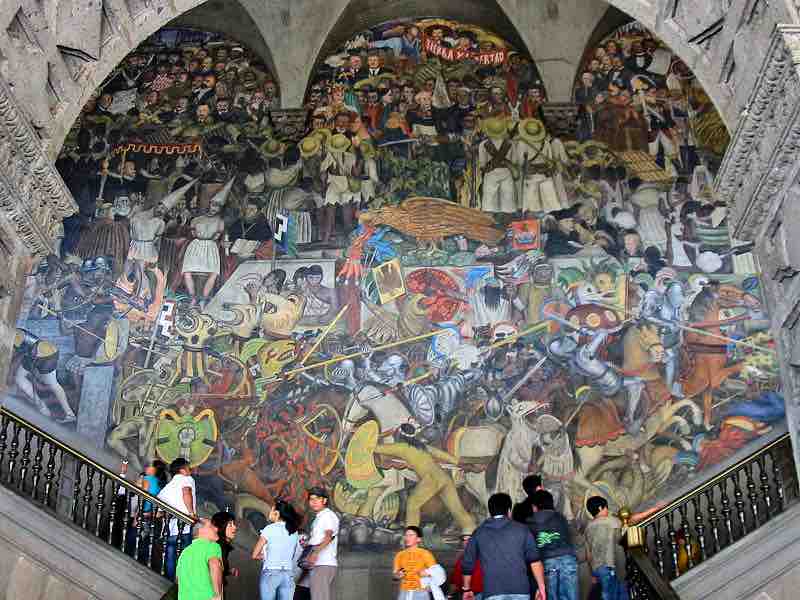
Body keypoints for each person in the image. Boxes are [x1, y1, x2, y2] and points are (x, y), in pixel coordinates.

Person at [462, 493, 546, 600]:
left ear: (490, 511)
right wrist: (541, 587)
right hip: (520, 590)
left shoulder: (479, 533)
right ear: (509, 511)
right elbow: (535, 561)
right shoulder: (522, 530)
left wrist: (467, 589)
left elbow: (467, 563)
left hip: (492, 592)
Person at [527, 490, 578, 600]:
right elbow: (571, 537)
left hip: (547, 562)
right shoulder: (561, 518)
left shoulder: (530, 522)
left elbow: (531, 549)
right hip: (568, 559)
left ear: (535, 506)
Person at [251, 500, 303, 600]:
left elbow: (254, 554)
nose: (269, 512)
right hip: (288, 574)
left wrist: (265, 556)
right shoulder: (294, 532)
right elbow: (291, 555)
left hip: (271, 572)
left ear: (277, 513)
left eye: (271, 510)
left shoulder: (269, 528)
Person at [158, 458, 198, 580]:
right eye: (189, 468)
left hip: (169, 531)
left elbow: (158, 514)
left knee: (170, 558)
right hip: (184, 528)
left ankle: (170, 584)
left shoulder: (166, 488)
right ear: (182, 470)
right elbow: (186, 492)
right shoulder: (187, 479)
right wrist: (191, 514)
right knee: (184, 560)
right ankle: (181, 586)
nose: (190, 471)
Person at [584, 496, 628, 600]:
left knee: (607, 594)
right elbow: (620, 539)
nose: (607, 510)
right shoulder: (612, 521)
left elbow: (588, 554)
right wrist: (625, 528)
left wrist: (592, 573)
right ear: (600, 508)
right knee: (619, 593)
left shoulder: (588, 528)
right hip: (611, 565)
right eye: (606, 508)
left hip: (596, 568)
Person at [175, 518, 223, 600]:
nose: (216, 528)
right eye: (211, 526)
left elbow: (178, 579)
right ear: (201, 530)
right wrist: (217, 594)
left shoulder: (184, 552)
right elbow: (215, 564)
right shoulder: (212, 545)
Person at [305, 487, 340, 600]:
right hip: (319, 563)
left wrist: (314, 553)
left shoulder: (327, 516)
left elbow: (328, 536)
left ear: (324, 500)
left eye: (317, 499)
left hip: (323, 563)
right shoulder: (320, 517)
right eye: (311, 499)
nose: (314, 502)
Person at [393, 525, 437, 600]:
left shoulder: (426, 554)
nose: (407, 538)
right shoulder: (400, 555)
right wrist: (398, 575)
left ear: (419, 539)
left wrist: (430, 585)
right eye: (406, 535)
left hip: (421, 593)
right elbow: (395, 575)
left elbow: (436, 572)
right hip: (404, 592)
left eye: (411, 535)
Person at [450, 534, 483, 600]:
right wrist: (450, 594)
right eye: (464, 540)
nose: (466, 542)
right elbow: (454, 579)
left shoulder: (485, 557)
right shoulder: (462, 558)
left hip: (481, 594)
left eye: (470, 539)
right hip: (465, 594)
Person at [212, 511, 240, 589]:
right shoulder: (217, 547)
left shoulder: (222, 545)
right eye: (230, 524)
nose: (235, 527)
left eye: (234, 524)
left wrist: (229, 571)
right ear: (221, 526)